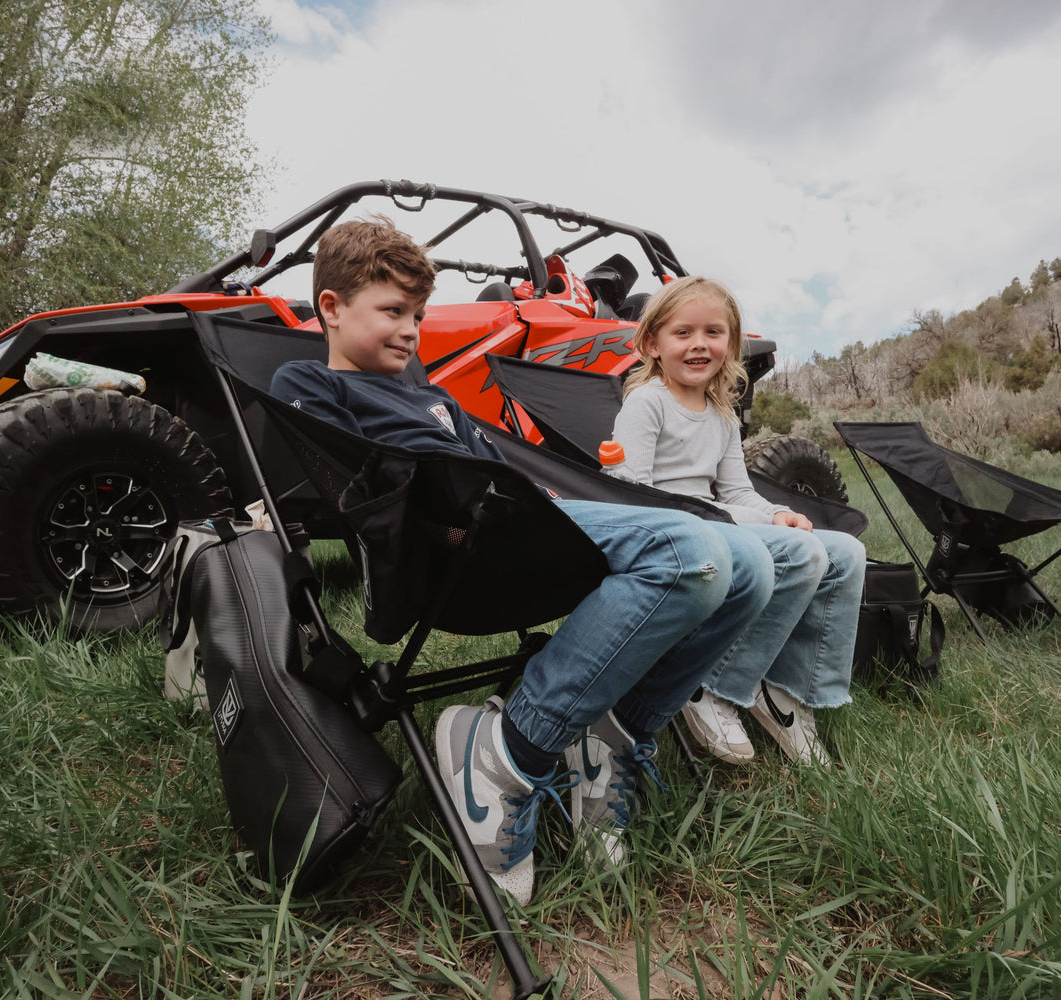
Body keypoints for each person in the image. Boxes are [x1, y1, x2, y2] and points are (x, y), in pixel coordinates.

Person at [269, 218, 775, 906]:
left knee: (749, 565)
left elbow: (504, 461)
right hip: (460, 550)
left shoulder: (433, 395)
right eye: (392, 312)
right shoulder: (307, 383)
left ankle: (613, 735)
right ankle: (510, 751)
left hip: (524, 521)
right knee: (694, 553)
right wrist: (449, 508)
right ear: (330, 308)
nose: (411, 332)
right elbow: (371, 488)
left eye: (418, 316)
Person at [610, 275, 867, 767]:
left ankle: (789, 691)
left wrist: (775, 513)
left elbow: (736, 493)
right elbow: (633, 492)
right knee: (800, 553)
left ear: (731, 344)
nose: (699, 344)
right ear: (652, 344)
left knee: (846, 554)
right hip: (671, 528)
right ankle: (713, 685)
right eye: (682, 333)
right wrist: (756, 522)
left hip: (716, 518)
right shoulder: (647, 402)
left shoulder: (723, 416)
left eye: (713, 332)